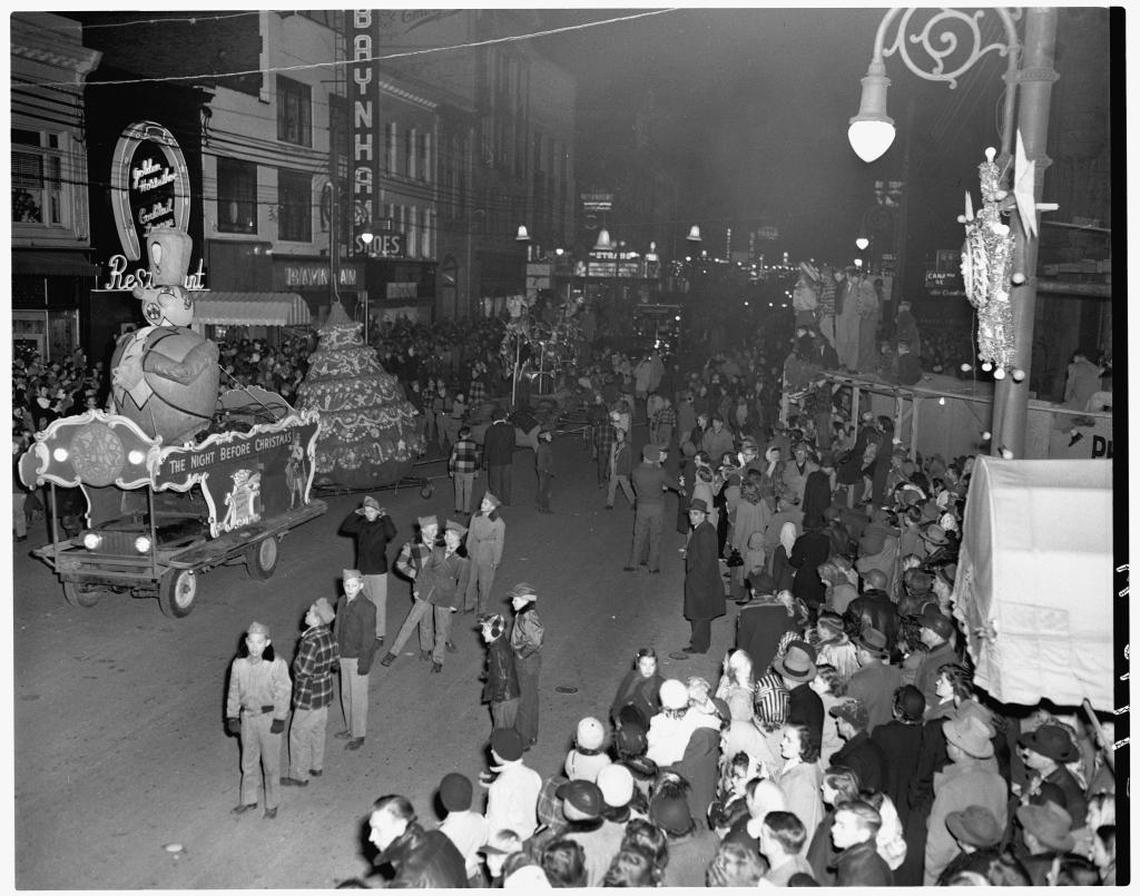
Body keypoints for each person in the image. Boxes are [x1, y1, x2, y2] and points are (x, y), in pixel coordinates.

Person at [924, 713, 1009, 885]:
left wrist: (932, 880)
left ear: (958, 750)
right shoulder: (998, 781)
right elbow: (1001, 827)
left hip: (956, 873)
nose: (946, 744)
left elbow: (938, 848)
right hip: (987, 869)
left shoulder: (951, 788)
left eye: (949, 742)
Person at [225, 620, 292, 819]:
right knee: (248, 761)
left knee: (270, 764)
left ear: (267, 642)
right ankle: (249, 800)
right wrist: (232, 715)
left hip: (269, 719)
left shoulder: (276, 664)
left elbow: (284, 692)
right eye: (251, 642)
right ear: (246, 641)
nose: (255, 647)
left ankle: (272, 804)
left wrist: (280, 718)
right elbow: (233, 691)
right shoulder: (239, 664)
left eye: (259, 642)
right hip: (247, 718)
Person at [282, 598, 339, 788]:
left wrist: (295, 667)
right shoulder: (329, 636)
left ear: (316, 619)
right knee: (318, 730)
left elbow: (303, 670)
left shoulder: (311, 641)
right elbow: (335, 662)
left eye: (310, 612)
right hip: (324, 691)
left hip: (310, 694)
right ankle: (316, 765)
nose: (306, 613)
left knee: (299, 733)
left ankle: (299, 775)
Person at [367, 794, 469, 888]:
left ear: (400, 826)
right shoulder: (438, 836)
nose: (371, 837)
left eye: (378, 829)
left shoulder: (407, 883)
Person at [338, 496, 398, 646]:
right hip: (363, 570)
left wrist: (385, 517)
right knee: (365, 603)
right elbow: (345, 527)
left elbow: (391, 533)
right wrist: (356, 513)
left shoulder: (382, 525)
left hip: (378, 571)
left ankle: (379, 635)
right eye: (367, 511)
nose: (369, 514)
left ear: (378, 512)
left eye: (372, 511)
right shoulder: (361, 525)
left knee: (378, 604)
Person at [334, 570, 377, 751]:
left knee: (358, 697)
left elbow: (369, 638)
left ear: (361, 586)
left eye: (353, 586)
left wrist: (364, 663)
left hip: (358, 658)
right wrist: (335, 652)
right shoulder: (342, 602)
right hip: (343, 655)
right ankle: (350, 728)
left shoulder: (367, 607)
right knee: (346, 695)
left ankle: (359, 734)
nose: (350, 589)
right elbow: (337, 628)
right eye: (347, 585)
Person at [389, 514, 438, 661]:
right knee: (421, 619)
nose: (435, 532)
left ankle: (443, 642)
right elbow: (400, 564)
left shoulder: (441, 543)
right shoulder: (412, 546)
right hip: (423, 588)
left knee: (440, 619)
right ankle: (424, 648)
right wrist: (415, 574)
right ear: (423, 530)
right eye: (431, 529)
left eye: (436, 529)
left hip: (440, 588)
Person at [483, 727, 542, 840]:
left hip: (511, 841)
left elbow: (495, 823)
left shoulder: (499, 786)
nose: (491, 751)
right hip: (530, 834)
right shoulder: (533, 775)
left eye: (494, 749)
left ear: (501, 755)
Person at [682, 497, 725, 654]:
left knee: (699, 614)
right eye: (691, 513)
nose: (692, 517)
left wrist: (694, 577)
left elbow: (705, 561)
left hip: (701, 582)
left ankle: (699, 645)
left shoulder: (704, 532)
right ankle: (699, 643)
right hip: (702, 580)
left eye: (696, 514)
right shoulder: (704, 528)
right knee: (699, 613)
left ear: (703, 515)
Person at [436, 773, 490, 886]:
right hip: (474, 873)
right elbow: (485, 839)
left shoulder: (443, 834)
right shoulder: (479, 819)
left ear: (444, 802)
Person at [508, 583, 544, 749]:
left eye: (516, 599)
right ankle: (531, 734)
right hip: (530, 662)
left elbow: (535, 641)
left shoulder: (527, 617)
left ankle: (523, 739)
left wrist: (521, 654)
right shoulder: (525, 614)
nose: (513, 602)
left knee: (523, 702)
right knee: (531, 699)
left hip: (526, 664)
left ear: (526, 601)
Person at [774, 721, 824, 837]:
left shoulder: (802, 782)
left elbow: (800, 824)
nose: (782, 743)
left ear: (803, 747)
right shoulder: (803, 761)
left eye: (789, 740)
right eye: (784, 737)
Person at [827, 698, 887, 793]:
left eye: (840, 718)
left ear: (848, 726)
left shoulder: (852, 758)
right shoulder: (873, 746)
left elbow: (850, 794)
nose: (837, 720)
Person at [626, 442, 667, 573]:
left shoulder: (635, 472)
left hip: (642, 506)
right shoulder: (660, 472)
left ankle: (634, 563)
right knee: (655, 536)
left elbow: (635, 487)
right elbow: (669, 484)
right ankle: (653, 566)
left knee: (639, 535)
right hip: (657, 507)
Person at [831, 799, 893, 885]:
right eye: (835, 823)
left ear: (863, 834)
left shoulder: (857, 874)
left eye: (842, 826)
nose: (833, 829)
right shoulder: (868, 856)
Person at [464, 493, 505, 616]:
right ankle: (468, 605)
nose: (482, 504)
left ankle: (482, 608)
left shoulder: (499, 523)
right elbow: (470, 534)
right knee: (470, 581)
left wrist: (496, 560)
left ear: (492, 507)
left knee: (484, 584)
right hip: (474, 553)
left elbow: (499, 543)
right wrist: (467, 550)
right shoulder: (476, 516)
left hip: (487, 556)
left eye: (485, 503)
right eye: (482, 502)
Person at [478, 612, 520, 732]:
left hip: (505, 700)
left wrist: (497, 700)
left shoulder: (497, 650)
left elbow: (502, 677)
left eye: (485, 629)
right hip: (510, 696)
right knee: (505, 732)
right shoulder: (501, 643)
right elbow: (503, 669)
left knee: (501, 734)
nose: (482, 632)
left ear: (495, 632)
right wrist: (490, 674)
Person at [610, 647, 664, 731]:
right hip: (628, 724)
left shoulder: (660, 683)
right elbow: (618, 701)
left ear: (656, 665)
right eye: (644, 664)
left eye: (652, 665)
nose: (648, 669)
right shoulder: (631, 678)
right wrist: (617, 719)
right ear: (638, 664)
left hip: (650, 727)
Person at [758, 810, 814, 885]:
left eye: (763, 833)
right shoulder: (802, 861)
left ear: (775, 845)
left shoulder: (771, 884)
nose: (759, 835)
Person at [483, 409, 516, 505]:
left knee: (495, 482)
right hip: (507, 459)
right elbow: (513, 444)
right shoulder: (510, 428)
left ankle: (496, 501)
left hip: (494, 460)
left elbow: (487, 446)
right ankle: (506, 501)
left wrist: (485, 460)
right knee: (506, 481)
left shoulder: (491, 429)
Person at [448, 424, 481, 516]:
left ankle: (458, 508)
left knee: (458, 489)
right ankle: (467, 510)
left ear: (460, 434)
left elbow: (453, 458)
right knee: (468, 490)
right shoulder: (474, 444)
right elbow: (476, 458)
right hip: (470, 470)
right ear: (469, 434)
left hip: (458, 469)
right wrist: (477, 469)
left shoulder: (456, 444)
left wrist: (451, 469)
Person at [606, 426, 635, 510]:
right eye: (617, 434)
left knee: (626, 487)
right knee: (611, 486)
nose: (618, 436)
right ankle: (610, 503)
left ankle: (633, 502)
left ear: (624, 435)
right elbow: (611, 458)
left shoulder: (627, 446)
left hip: (623, 470)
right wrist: (611, 471)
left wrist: (628, 473)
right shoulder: (614, 444)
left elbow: (629, 461)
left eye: (620, 434)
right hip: (615, 468)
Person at [534, 427, 554, 513]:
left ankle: (539, 503)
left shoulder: (543, 447)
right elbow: (541, 461)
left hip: (543, 470)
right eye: (548, 435)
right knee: (545, 490)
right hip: (544, 471)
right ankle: (544, 508)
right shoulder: (543, 448)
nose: (550, 436)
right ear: (544, 438)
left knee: (543, 488)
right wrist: (546, 470)